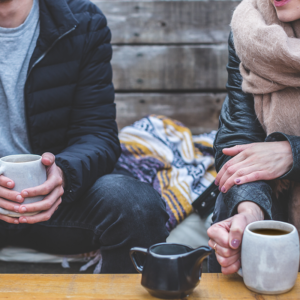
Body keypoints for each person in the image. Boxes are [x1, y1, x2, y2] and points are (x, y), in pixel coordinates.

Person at [0, 0, 169, 273]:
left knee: (136, 207)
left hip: (59, 200)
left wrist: (63, 174)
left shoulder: (82, 21)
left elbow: (97, 134)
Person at [207, 0, 300, 273]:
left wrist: (291, 153)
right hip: (279, 204)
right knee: (232, 200)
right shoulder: (251, 28)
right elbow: (239, 138)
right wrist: (250, 212)